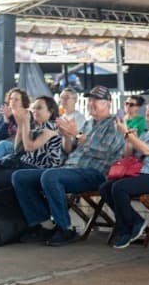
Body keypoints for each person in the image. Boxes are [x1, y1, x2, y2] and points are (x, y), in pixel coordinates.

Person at [12, 86, 125, 246]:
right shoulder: (88, 123)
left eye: (96, 100)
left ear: (107, 103)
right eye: (89, 100)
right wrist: (66, 136)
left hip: (95, 173)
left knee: (50, 176)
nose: (91, 103)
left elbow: (104, 151)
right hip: (71, 168)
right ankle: (42, 224)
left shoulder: (115, 123)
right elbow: (70, 150)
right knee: (20, 177)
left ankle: (65, 228)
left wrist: (76, 134)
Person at [98, 96, 149, 249]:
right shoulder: (146, 133)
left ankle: (127, 226)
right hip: (140, 174)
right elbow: (129, 156)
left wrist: (127, 133)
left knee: (119, 187)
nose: (148, 110)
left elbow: (147, 150)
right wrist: (129, 140)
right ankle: (131, 222)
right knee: (105, 188)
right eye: (148, 107)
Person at [0, 95, 64, 196]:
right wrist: (21, 125)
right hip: (22, 164)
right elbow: (17, 148)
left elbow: (29, 147)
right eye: (33, 108)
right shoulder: (37, 126)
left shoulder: (51, 127)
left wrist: (25, 123)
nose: (34, 110)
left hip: (38, 169)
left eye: (39, 108)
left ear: (50, 111)